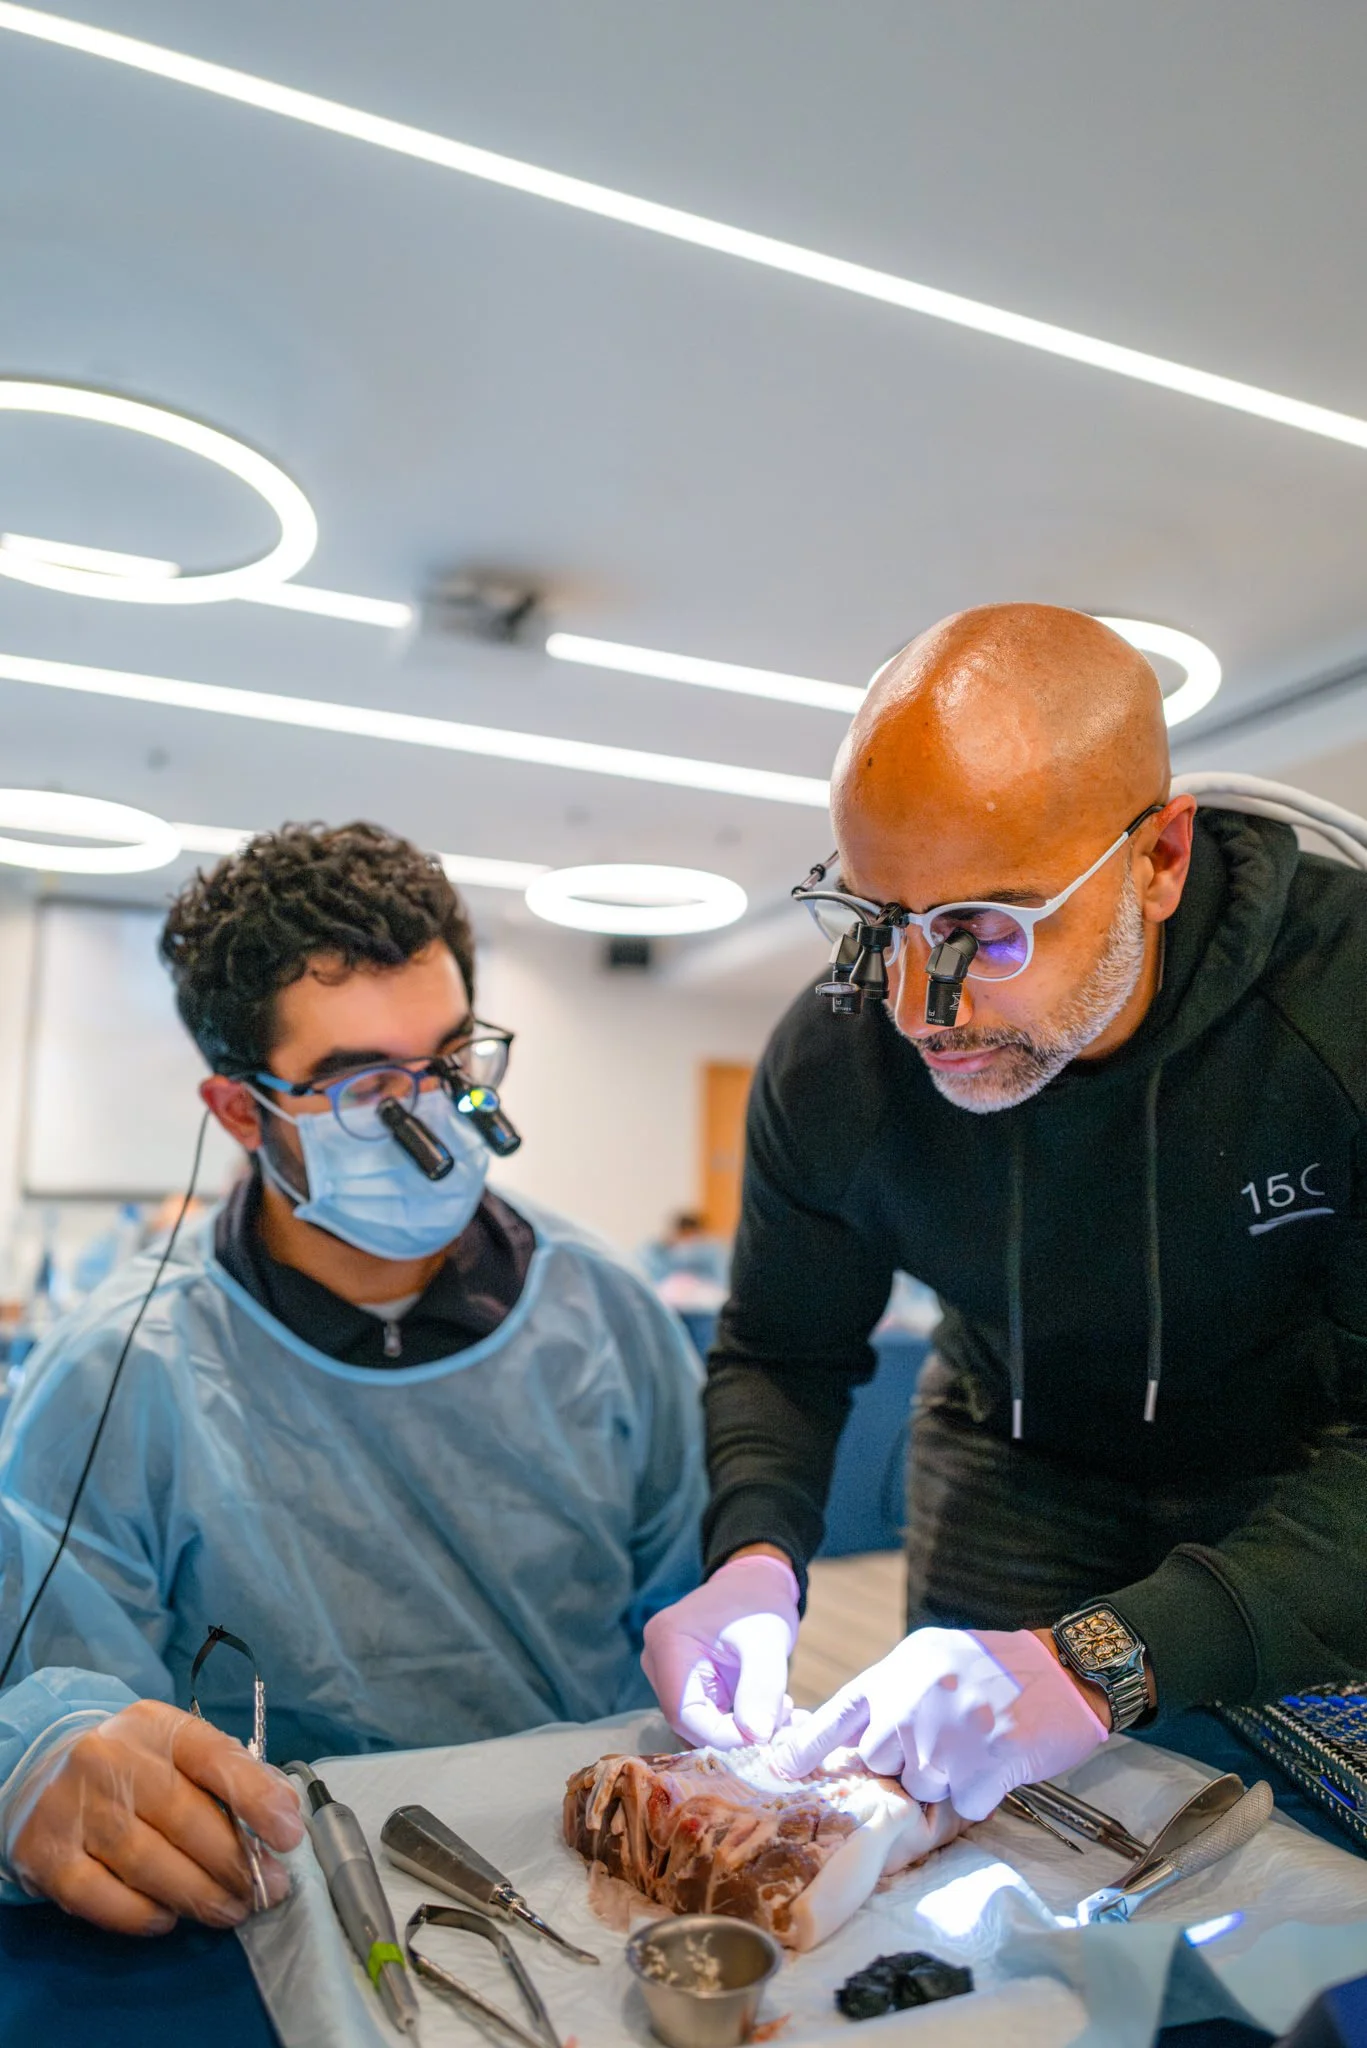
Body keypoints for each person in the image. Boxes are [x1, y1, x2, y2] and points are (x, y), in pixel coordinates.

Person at [643, 603, 1367, 1822]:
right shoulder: (835, 1060)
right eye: (879, 922)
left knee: (1292, 1842)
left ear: (1158, 859)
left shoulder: (1340, 1006)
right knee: (965, 1821)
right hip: (1011, 1454)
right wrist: (752, 1555)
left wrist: (1104, 1660)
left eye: (984, 929)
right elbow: (781, 1348)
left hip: (1297, 1470)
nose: (918, 1008)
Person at [0, 822, 704, 1933]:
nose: (429, 1114)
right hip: (285, 1900)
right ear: (241, 1111)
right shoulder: (121, 1370)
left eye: (450, 1061)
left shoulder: (606, 1315)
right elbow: (57, 1697)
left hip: (590, 1879)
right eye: (365, 1083)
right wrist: (44, 1758)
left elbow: (689, 1618)